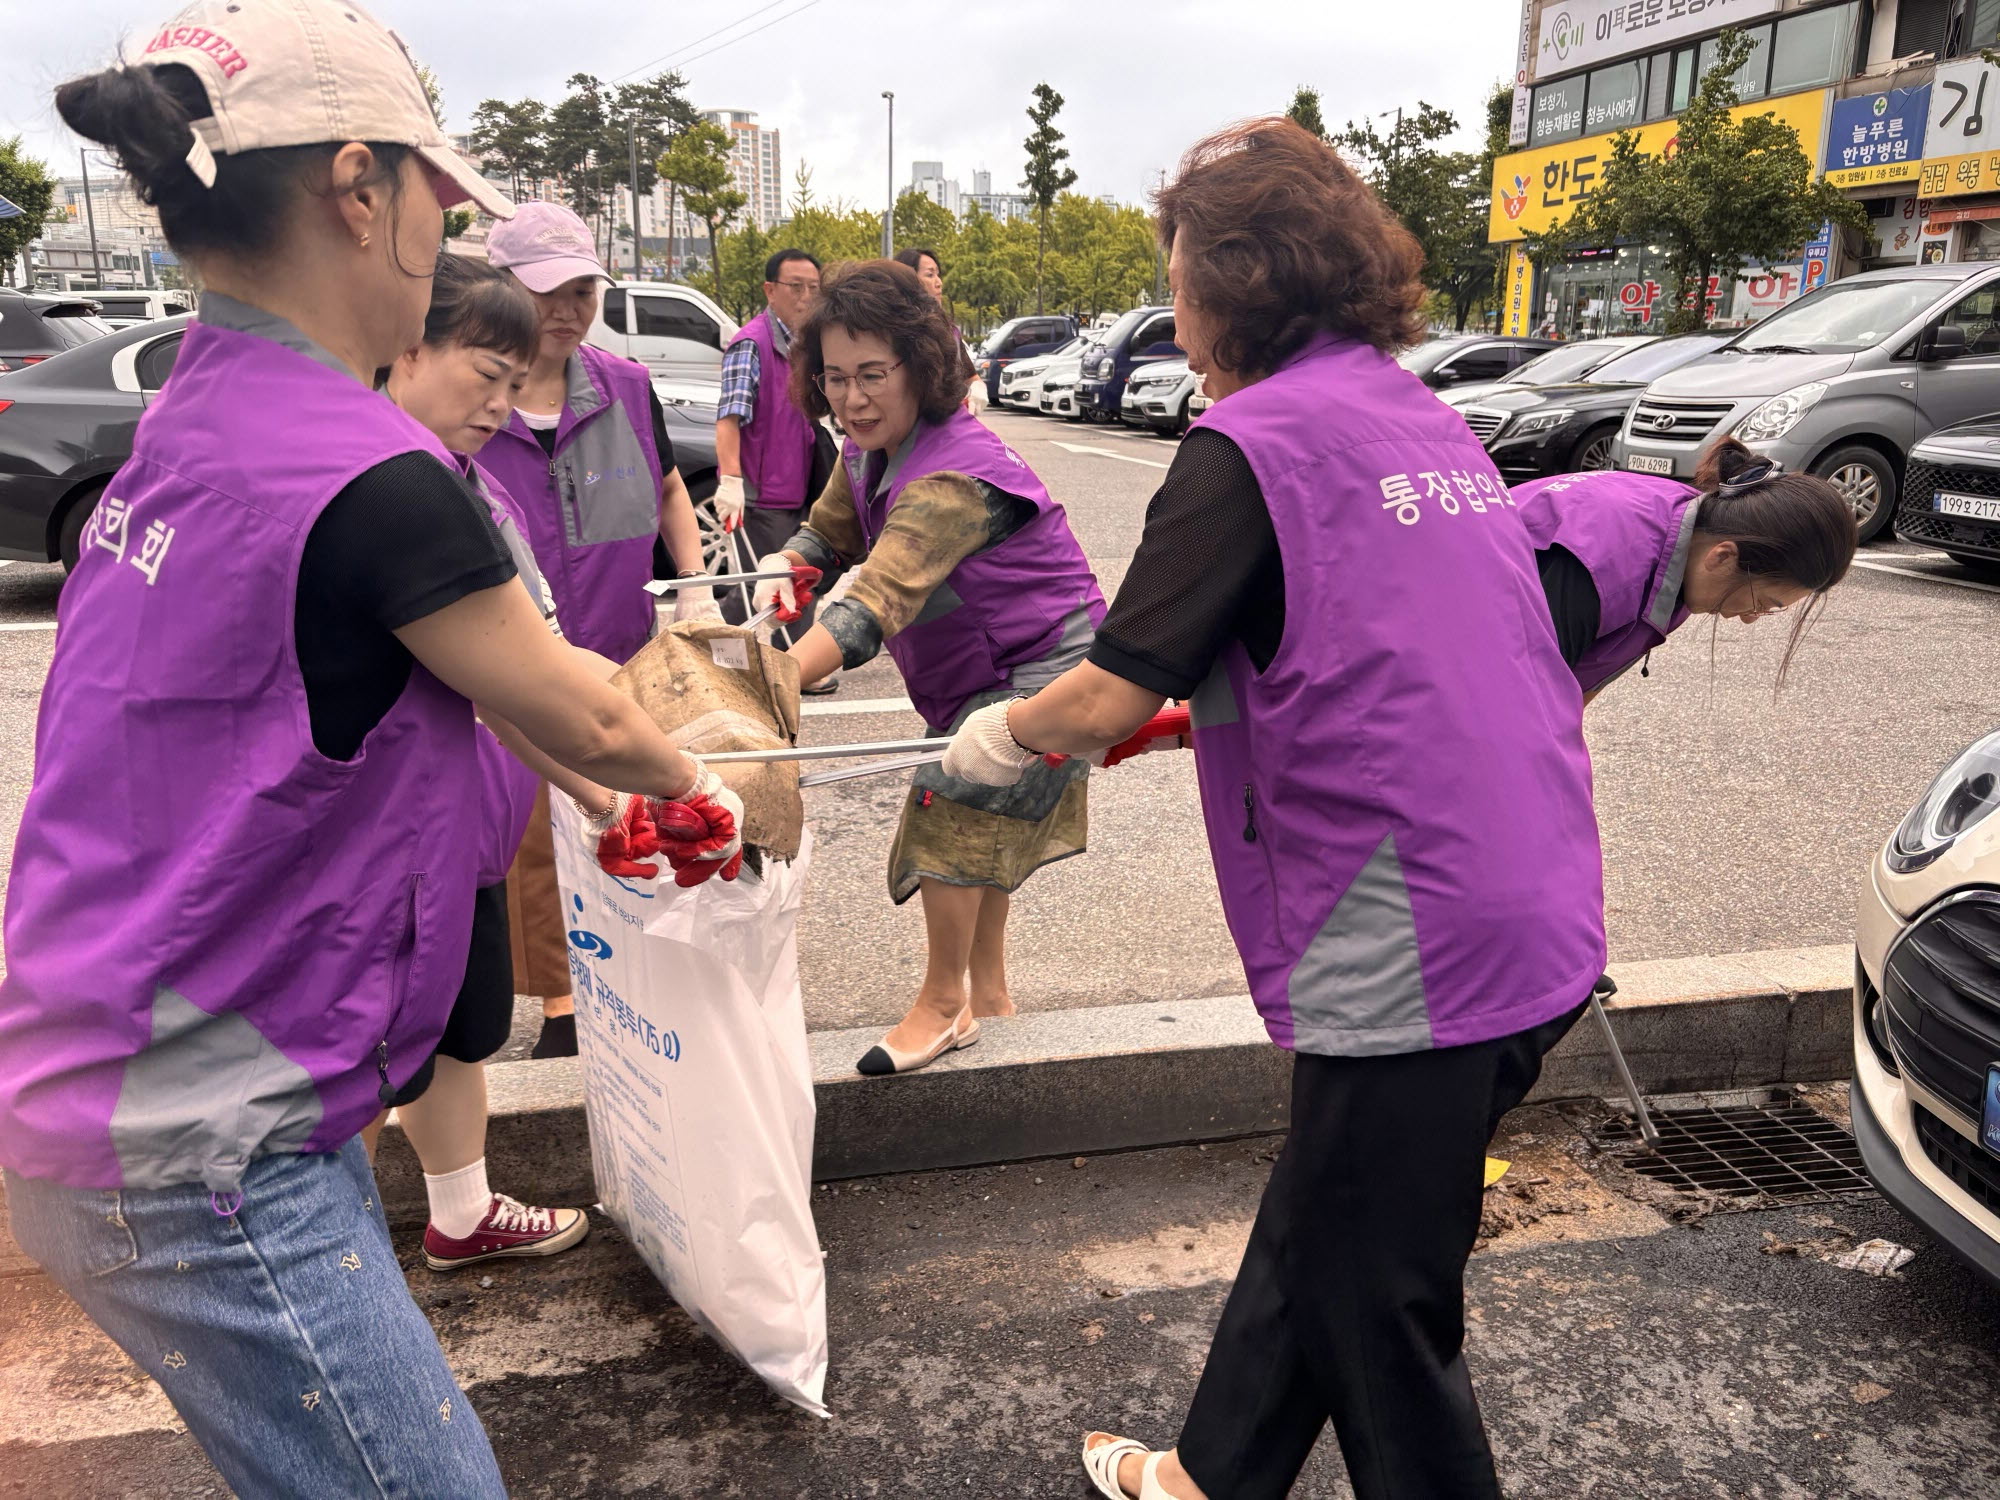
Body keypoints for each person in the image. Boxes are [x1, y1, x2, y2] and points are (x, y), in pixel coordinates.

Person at [0, 10, 739, 1495]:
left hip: (148, 1080)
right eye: (437, 193)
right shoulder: (368, 471)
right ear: (357, 187)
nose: (444, 225)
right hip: (195, 1138)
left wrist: (604, 788)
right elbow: (583, 705)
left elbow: (467, 704)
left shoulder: (196, 415)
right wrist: (707, 786)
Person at [941, 119, 1605, 1500]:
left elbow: (1102, 689)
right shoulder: (1412, 412)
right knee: (1327, 1217)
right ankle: (1209, 1478)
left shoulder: (1247, 446)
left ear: (1237, 283)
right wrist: (1211, 714)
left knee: (1380, 1305)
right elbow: (1377, 645)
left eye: (1179, 277)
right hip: (1526, 899)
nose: (1173, 315)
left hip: (1416, 941)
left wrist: (1000, 737)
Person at [373, 252, 667, 1269]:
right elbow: (527, 685)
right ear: (407, 347)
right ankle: (337, 1257)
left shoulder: (464, 487)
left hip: (463, 834)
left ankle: (459, 1212)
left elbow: (521, 673)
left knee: (460, 1028)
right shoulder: (380, 490)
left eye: (513, 383)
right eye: (483, 374)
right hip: (382, 845)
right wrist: (676, 785)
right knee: (368, 1055)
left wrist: (596, 796)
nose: (501, 405)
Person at [755, 259, 1106, 1076]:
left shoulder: (951, 476)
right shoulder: (867, 450)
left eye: (873, 375)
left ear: (922, 363)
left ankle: (945, 1004)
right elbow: (831, 532)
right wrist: (790, 559)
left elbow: (873, 601)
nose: (852, 399)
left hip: (1050, 671)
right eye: (835, 378)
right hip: (974, 672)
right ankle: (990, 993)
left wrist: (771, 685)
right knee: (976, 815)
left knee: (951, 799)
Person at [481, 200, 719, 1057]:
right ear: (500, 287)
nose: (568, 308)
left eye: (583, 288)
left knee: (620, 809)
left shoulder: (623, 384)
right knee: (531, 826)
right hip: (511, 650)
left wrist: (693, 587)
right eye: (547, 289)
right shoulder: (470, 390)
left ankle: (624, 969)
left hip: (617, 642)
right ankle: (559, 1001)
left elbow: (666, 491)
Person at [1522, 434, 1856, 697]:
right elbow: (1517, 707)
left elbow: (1569, 701)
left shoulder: (1687, 545)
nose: (1750, 618)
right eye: (1763, 603)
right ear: (1723, 557)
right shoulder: (1604, 569)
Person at [716, 248, 835, 640]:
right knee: (764, 580)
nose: (805, 296)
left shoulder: (807, 346)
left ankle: (796, 662)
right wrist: (730, 481)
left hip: (802, 486)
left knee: (802, 574)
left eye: (813, 288)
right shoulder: (751, 344)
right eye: (795, 287)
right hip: (763, 496)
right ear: (770, 290)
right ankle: (715, 643)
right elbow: (730, 418)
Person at [895, 245, 987, 415]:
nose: (939, 283)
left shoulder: (949, 331)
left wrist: (978, 390)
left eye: (938, 274)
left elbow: (971, 377)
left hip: (947, 424)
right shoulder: (892, 330)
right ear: (908, 280)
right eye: (930, 275)